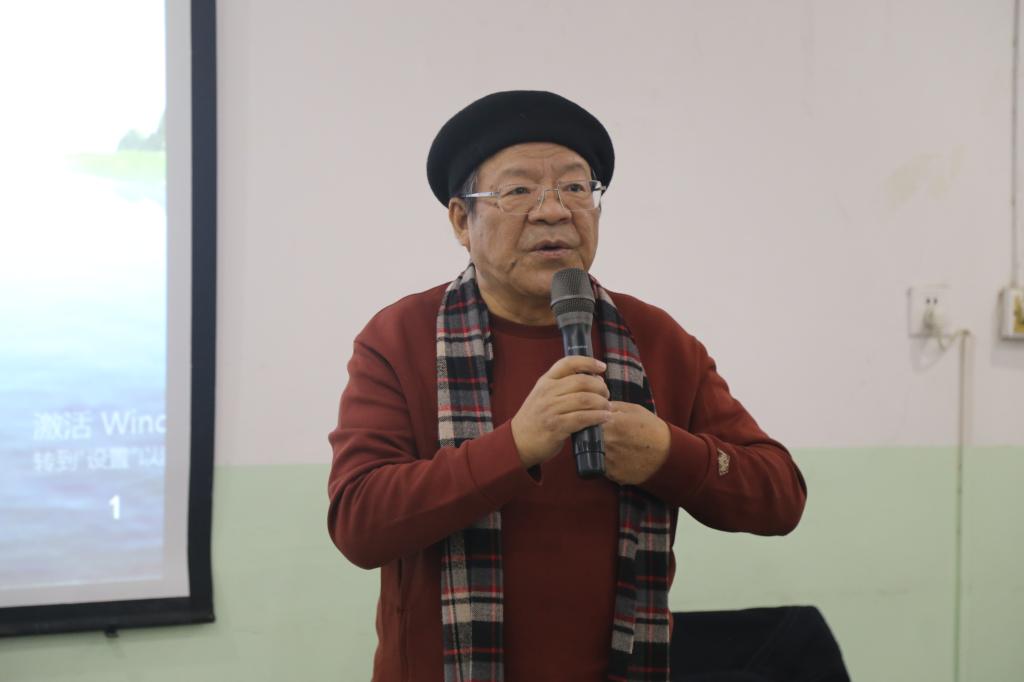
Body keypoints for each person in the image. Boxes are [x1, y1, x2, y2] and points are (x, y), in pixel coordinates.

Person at [327, 90, 807, 682]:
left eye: (576, 188)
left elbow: (780, 495)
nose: (553, 211)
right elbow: (359, 524)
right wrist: (514, 447)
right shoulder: (400, 337)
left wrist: (668, 454)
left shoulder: (655, 338)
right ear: (460, 220)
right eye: (518, 191)